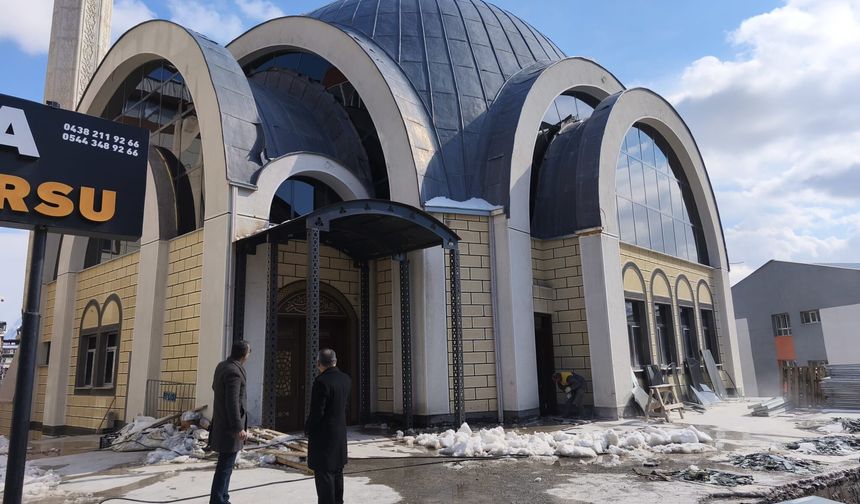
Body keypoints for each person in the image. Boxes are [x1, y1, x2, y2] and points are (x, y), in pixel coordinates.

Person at [305, 348, 352, 504]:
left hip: (324, 437)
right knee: (338, 473)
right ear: (335, 361)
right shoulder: (345, 379)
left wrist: (308, 429)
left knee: (324, 477)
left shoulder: (321, 382)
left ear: (318, 363)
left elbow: (317, 412)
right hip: (339, 433)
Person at [209, 340, 250, 504]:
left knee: (225, 465)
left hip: (221, 422)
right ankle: (218, 500)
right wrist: (238, 427)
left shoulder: (222, 366)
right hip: (229, 427)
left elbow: (215, 388)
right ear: (244, 354)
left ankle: (223, 497)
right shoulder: (234, 372)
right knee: (225, 467)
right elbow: (232, 402)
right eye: (248, 352)